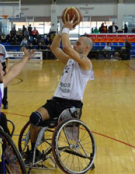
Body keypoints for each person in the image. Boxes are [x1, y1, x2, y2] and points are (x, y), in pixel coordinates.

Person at [25, 16, 94, 163]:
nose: (75, 45)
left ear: (86, 48)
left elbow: (67, 47)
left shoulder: (86, 63)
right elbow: (54, 48)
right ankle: (33, 151)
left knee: (43, 120)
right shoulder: (70, 60)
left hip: (71, 106)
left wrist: (67, 29)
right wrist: (60, 32)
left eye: (78, 43)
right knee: (35, 117)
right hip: (56, 101)